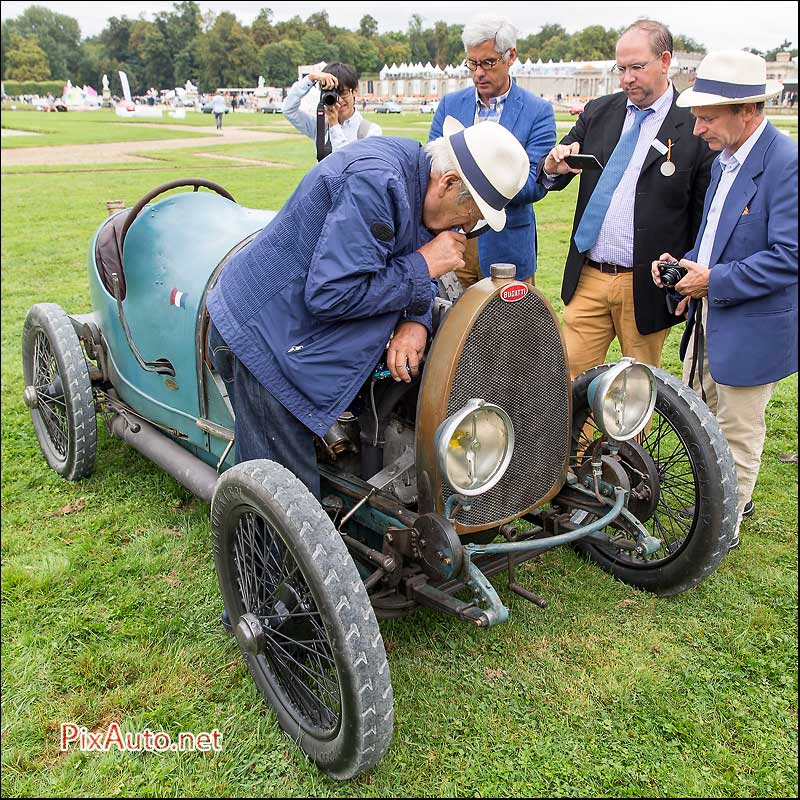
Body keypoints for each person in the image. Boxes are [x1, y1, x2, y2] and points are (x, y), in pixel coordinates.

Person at [206, 118, 530, 500]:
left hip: (296, 333)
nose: (466, 229)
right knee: (284, 494)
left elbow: (404, 255)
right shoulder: (375, 184)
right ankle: (265, 558)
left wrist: (417, 320)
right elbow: (331, 294)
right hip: (265, 341)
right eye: (472, 216)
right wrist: (424, 265)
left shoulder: (418, 177)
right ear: (448, 183)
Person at [651, 50, 798, 549]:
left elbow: (790, 256)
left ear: (748, 111)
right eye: (696, 117)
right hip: (711, 314)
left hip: (751, 325)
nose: (697, 130)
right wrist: (685, 266)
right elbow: (714, 238)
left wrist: (712, 280)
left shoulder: (786, 164)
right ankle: (725, 501)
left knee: (737, 426)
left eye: (707, 118)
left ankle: (723, 525)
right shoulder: (725, 162)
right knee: (709, 417)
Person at [537, 19, 716, 379]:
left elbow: (702, 216)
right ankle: (574, 440)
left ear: (665, 61)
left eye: (637, 67)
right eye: (621, 69)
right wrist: (553, 163)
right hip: (589, 275)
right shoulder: (599, 111)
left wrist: (686, 274)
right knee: (569, 385)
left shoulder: (694, 126)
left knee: (635, 392)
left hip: (645, 285)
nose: (627, 78)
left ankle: (627, 440)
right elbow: (554, 172)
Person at [429, 14, 556, 288]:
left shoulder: (538, 112)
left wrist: (478, 189)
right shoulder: (450, 104)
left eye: (488, 62)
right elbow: (432, 168)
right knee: (450, 327)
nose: (478, 73)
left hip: (507, 245)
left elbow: (535, 183)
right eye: (472, 63)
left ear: (511, 56)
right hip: (453, 242)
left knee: (509, 330)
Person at [282, 62, 382, 158]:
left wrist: (334, 126)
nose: (339, 100)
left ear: (355, 90)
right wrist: (310, 78)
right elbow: (288, 109)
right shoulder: (320, 126)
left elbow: (347, 161)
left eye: (343, 93)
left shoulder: (370, 131)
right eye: (333, 94)